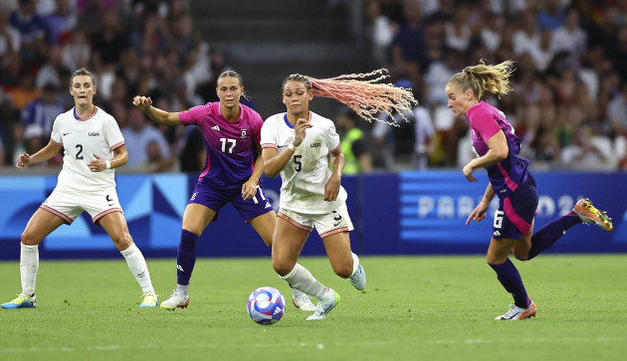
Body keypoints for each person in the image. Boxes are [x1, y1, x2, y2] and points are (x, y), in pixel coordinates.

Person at [132, 70, 316, 311]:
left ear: (241, 90)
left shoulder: (253, 120)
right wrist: (148, 109)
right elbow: (167, 118)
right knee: (188, 231)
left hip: (244, 186)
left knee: (277, 242)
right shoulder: (205, 112)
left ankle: (299, 294)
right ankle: (181, 293)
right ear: (217, 92)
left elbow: (263, 154)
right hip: (212, 184)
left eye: (233, 88)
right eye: (224, 89)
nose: (228, 93)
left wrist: (253, 180)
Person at [444, 60, 613, 321]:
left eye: (452, 97)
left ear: (468, 94)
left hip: (515, 193)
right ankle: (577, 214)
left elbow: (499, 152)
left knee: (495, 259)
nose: (449, 103)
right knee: (523, 252)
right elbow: (501, 162)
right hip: (519, 187)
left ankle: (524, 305)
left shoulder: (478, 114)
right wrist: (486, 201)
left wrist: (471, 164)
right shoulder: (485, 111)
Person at [261, 71, 417, 320]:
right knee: (281, 264)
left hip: (326, 201)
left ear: (310, 95)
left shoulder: (323, 125)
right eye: (288, 95)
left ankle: (353, 264)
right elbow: (269, 170)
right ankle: (325, 297)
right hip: (294, 203)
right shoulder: (272, 125)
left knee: (342, 269)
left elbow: (338, 154)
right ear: (283, 99)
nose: (294, 99)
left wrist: (336, 176)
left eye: (299, 93)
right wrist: (294, 143)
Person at [1, 68, 158, 309]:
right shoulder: (62, 120)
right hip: (68, 189)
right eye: (78, 86)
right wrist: (31, 159)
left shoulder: (106, 121)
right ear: (71, 90)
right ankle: (27, 296)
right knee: (28, 237)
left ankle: (150, 294)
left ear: (94, 90)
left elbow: (123, 155)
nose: (82, 90)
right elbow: (54, 148)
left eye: (87, 86)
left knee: (122, 238)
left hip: (99, 190)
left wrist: (106, 164)